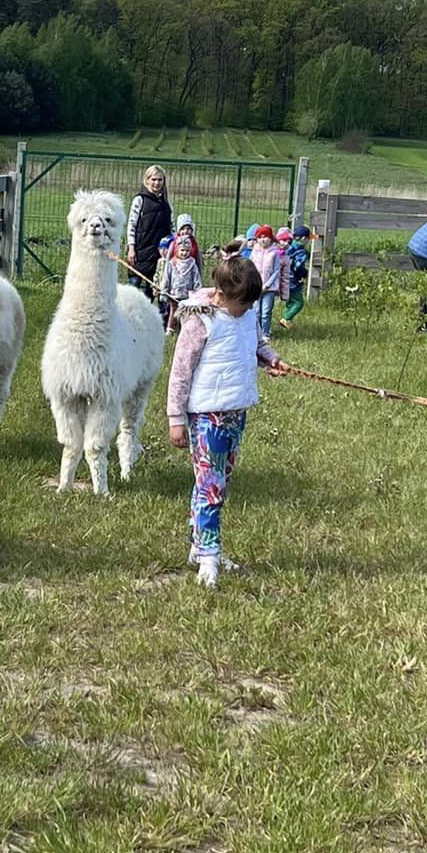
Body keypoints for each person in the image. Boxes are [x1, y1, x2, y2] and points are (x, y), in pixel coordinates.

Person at [167, 253, 291, 589]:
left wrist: (271, 360)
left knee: (216, 482)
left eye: (252, 303)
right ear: (221, 295)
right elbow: (180, 372)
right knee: (211, 487)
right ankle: (209, 555)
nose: (249, 309)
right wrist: (176, 417)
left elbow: (255, 344)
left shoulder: (246, 316)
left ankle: (198, 545)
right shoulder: (200, 322)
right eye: (244, 303)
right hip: (207, 415)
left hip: (237, 411)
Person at [126, 165, 173, 295]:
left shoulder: (166, 202)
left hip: (159, 254)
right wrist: (131, 248)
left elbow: (172, 226)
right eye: (153, 179)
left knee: (152, 290)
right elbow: (131, 225)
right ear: (147, 180)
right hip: (140, 251)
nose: (156, 183)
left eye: (160, 180)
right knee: (133, 288)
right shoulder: (139, 200)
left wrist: (171, 247)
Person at [160, 223, 202, 329]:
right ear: (177, 250)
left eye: (187, 251)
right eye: (182, 250)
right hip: (175, 292)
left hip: (187, 293)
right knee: (173, 311)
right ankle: (170, 328)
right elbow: (166, 278)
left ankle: (184, 328)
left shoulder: (192, 264)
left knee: (186, 312)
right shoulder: (172, 263)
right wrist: (164, 291)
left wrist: (197, 291)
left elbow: (196, 278)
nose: (184, 253)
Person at [248, 225, 283, 340]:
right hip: (257, 287)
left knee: (266, 311)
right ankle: (257, 332)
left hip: (270, 288)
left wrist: (267, 285)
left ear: (271, 238)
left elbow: (276, 270)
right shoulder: (255, 252)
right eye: (260, 237)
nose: (263, 240)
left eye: (265, 237)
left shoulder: (274, 252)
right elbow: (250, 267)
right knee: (256, 311)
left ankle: (266, 333)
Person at [279, 225, 311, 325]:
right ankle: (286, 318)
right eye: (308, 239)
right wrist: (303, 274)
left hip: (283, 278)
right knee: (298, 302)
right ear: (303, 238)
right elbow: (298, 266)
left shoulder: (288, 247)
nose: (309, 241)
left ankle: (287, 320)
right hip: (293, 280)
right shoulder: (301, 252)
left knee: (290, 301)